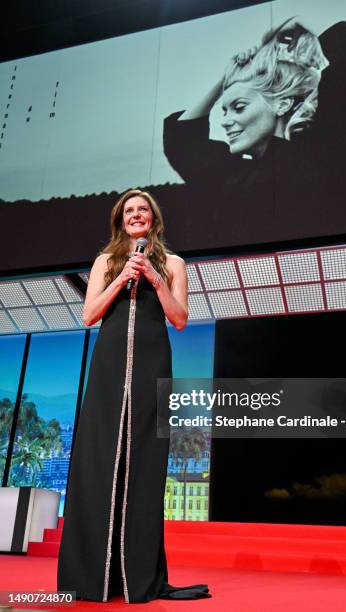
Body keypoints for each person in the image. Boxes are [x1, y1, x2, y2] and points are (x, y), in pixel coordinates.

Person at [57, 188, 210, 603]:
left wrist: (156, 279)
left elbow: (179, 318)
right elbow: (89, 315)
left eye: (143, 210)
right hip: (108, 367)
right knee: (99, 458)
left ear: (154, 220)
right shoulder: (106, 261)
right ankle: (91, 577)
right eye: (130, 211)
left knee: (145, 463)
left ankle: (138, 578)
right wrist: (123, 277)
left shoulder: (174, 263)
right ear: (120, 221)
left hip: (152, 363)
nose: (137, 215)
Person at [163, 20, 346, 205]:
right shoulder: (237, 178)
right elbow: (182, 145)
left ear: (282, 104)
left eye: (239, 107)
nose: (226, 121)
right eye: (223, 110)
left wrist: (301, 19)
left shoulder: (324, 150)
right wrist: (228, 76)